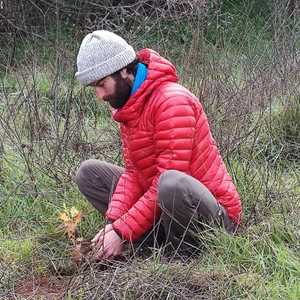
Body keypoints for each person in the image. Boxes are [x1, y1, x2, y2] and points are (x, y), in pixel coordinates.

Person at [74, 30, 242, 261]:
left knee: (170, 182)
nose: (100, 95)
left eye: (102, 84)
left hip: (214, 218)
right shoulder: (130, 105)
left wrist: (124, 230)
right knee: (89, 173)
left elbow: (169, 178)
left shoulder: (172, 102)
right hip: (167, 206)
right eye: (95, 87)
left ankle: (185, 256)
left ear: (124, 71)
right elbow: (134, 173)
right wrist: (114, 225)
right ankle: (152, 243)